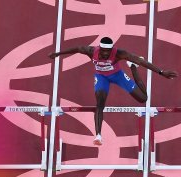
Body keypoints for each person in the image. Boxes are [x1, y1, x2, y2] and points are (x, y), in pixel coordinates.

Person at [49, 37, 178, 145]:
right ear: (99, 48)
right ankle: (98, 135)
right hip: (101, 77)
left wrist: (161, 72)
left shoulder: (119, 53)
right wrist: (58, 54)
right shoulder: (91, 51)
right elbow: (77, 48)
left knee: (143, 99)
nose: (105, 54)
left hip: (118, 76)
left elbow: (141, 60)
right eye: (103, 51)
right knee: (99, 103)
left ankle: (132, 68)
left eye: (108, 51)